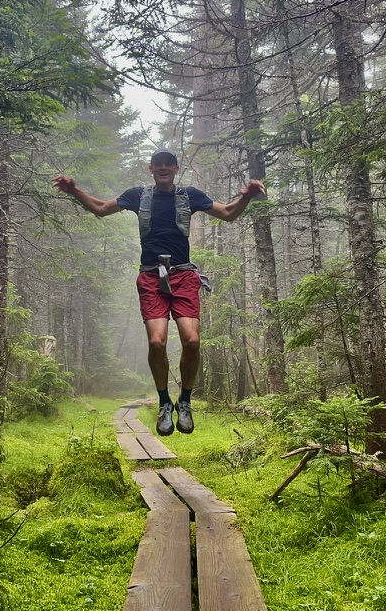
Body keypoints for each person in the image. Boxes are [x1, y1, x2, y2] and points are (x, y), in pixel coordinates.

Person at [52, 150, 265, 436]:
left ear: (176, 168)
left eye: (169, 164)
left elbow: (227, 213)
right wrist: (74, 190)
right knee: (156, 342)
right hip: (152, 276)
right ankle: (165, 403)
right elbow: (102, 208)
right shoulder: (138, 195)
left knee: (191, 340)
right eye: (159, 164)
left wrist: (247, 196)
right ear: (151, 168)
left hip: (184, 275)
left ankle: (185, 401)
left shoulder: (189, 195)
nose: (164, 168)